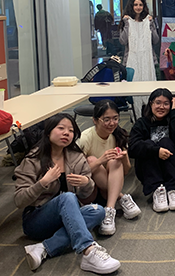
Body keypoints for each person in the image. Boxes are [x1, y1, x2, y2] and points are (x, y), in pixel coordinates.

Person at [14, 113, 121, 274]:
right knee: (67, 197)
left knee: (98, 211)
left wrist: (87, 183)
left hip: (68, 218)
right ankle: (88, 250)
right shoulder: (34, 159)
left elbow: (85, 194)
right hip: (36, 219)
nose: (66, 133)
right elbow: (19, 201)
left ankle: (43, 247)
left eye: (71, 130)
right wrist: (42, 183)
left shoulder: (76, 157)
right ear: (48, 131)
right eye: (61, 128)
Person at [77, 100, 141, 236]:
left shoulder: (118, 135)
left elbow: (126, 170)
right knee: (92, 160)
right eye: (106, 119)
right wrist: (101, 160)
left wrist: (123, 157)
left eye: (115, 118)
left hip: (107, 190)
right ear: (95, 120)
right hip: (89, 189)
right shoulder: (86, 138)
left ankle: (109, 210)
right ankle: (121, 197)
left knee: (114, 161)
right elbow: (77, 172)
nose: (112, 123)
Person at [128, 89, 175, 213]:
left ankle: (172, 188)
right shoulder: (141, 123)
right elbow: (132, 148)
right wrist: (156, 150)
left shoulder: (173, 119)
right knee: (148, 144)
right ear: (151, 104)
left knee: (166, 141)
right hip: (148, 171)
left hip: (172, 167)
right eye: (158, 103)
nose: (161, 107)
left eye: (166, 103)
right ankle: (157, 189)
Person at [119, 0, 159, 115]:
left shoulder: (149, 20)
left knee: (149, 85)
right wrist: (126, 24)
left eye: (140, 5)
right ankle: (135, 116)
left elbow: (156, 40)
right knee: (134, 87)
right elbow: (122, 41)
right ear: (131, 7)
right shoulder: (126, 21)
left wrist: (151, 25)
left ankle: (151, 114)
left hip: (147, 59)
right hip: (132, 58)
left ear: (144, 6)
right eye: (135, 5)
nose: (138, 7)